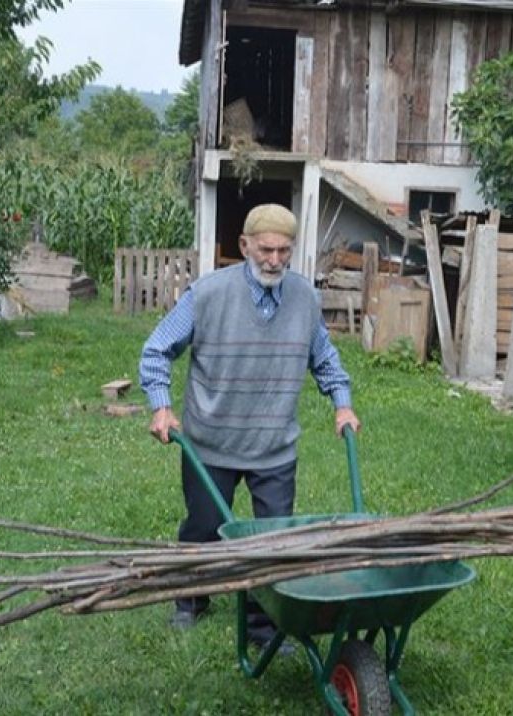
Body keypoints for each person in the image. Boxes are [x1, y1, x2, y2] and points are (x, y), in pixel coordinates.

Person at [139, 203, 361, 648]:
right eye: (265, 250)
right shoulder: (207, 295)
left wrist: (342, 404)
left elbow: (325, 360)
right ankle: (190, 600)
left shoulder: (304, 298)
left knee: (273, 540)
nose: (275, 260)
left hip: (273, 447)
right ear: (244, 246)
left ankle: (264, 625)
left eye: (284, 251)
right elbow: (156, 350)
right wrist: (161, 406)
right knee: (202, 529)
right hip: (210, 442)